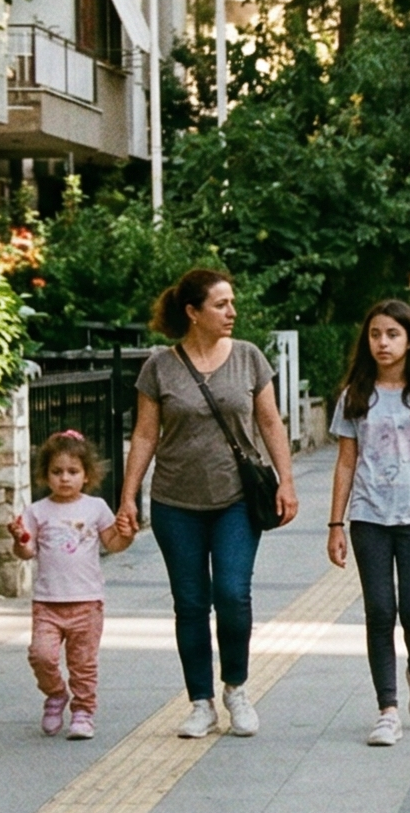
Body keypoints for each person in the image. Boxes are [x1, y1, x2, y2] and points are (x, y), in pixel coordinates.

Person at [117, 268, 300, 739]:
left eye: (232, 303)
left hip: (237, 499)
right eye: (221, 305)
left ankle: (235, 687)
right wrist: (128, 496)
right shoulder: (159, 367)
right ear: (193, 312)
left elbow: (271, 424)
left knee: (233, 596)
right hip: (176, 501)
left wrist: (287, 482)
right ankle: (200, 702)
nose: (232, 312)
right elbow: (144, 434)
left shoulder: (248, 358)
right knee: (191, 603)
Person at [326, 301, 410, 748]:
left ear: (409, 340)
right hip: (369, 516)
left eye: (392, 334)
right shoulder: (354, 395)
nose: (382, 343)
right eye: (375, 334)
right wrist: (335, 524)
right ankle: (386, 709)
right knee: (380, 612)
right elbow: (346, 461)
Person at [12, 430, 135, 740]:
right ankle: (55, 694)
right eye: (56, 472)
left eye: (72, 472)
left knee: (83, 664)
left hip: (87, 603)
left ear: (87, 474)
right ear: (45, 474)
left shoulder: (96, 508)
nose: (64, 478)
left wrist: (128, 534)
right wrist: (20, 540)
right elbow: (26, 552)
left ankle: (83, 711)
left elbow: (113, 543)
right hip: (48, 604)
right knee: (41, 655)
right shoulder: (37, 511)